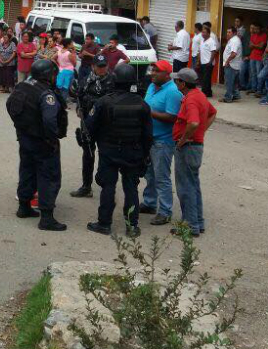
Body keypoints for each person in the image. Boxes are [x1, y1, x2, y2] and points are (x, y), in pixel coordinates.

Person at [84, 63, 153, 237]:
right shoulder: (143, 105)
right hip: (133, 152)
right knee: (131, 188)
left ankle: (104, 223)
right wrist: (145, 155)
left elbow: (89, 128)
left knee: (108, 187)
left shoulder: (103, 102)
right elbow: (148, 135)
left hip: (109, 151)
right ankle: (132, 226)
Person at [6, 59, 69, 231]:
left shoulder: (23, 86)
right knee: (48, 176)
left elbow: (9, 105)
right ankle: (46, 218)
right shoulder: (46, 94)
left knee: (27, 171)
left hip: (26, 139)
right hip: (42, 141)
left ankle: (24, 207)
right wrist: (51, 138)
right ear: (48, 75)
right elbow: (49, 120)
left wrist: (22, 128)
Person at [170, 68, 216, 237]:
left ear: (183, 83)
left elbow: (194, 123)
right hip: (195, 146)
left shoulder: (190, 100)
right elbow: (212, 113)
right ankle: (197, 222)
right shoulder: (199, 95)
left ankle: (190, 226)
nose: (175, 83)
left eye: (177, 81)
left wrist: (183, 140)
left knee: (185, 187)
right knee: (193, 185)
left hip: (188, 148)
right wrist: (200, 133)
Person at [141, 60, 184, 226]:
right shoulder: (152, 86)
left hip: (163, 141)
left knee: (161, 177)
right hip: (149, 138)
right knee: (149, 173)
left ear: (167, 75)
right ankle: (150, 202)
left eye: (157, 71)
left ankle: (165, 211)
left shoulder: (173, 92)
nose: (152, 73)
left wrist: (149, 113)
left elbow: (172, 117)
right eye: (152, 70)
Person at [68, 54, 114, 198]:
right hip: (87, 122)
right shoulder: (86, 80)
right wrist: (78, 107)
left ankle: (106, 185)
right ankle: (86, 186)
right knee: (88, 153)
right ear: (93, 66)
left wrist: (92, 102)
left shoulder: (112, 81)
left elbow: (112, 101)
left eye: (104, 66)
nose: (102, 69)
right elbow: (79, 96)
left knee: (105, 154)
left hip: (104, 123)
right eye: (99, 66)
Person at [221, 27, 243, 103]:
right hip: (234, 65)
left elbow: (233, 54)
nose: (227, 33)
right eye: (227, 32)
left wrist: (227, 61)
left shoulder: (234, 41)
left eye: (229, 32)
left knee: (229, 82)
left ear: (234, 33)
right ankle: (236, 95)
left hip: (231, 65)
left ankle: (228, 98)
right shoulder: (233, 40)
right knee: (233, 82)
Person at [247, 24, 268, 96]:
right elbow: (250, 46)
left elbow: (261, 46)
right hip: (252, 56)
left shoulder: (264, 35)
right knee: (253, 73)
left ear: (261, 29)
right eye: (255, 29)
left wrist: (254, 45)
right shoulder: (253, 35)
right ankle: (254, 88)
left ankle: (259, 90)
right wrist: (256, 45)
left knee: (259, 74)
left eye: (257, 29)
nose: (255, 30)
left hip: (259, 57)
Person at [199, 24, 218, 98]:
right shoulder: (202, 40)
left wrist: (210, 62)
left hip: (208, 63)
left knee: (205, 79)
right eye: (202, 32)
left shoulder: (211, 41)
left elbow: (213, 51)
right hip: (203, 62)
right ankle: (209, 93)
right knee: (206, 78)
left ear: (208, 33)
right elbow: (200, 51)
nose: (203, 34)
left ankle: (204, 93)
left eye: (204, 32)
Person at [56, 38, 77, 103]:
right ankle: (62, 103)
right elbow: (75, 64)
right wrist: (74, 52)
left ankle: (58, 101)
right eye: (71, 43)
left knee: (60, 88)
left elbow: (52, 58)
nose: (73, 44)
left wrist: (58, 65)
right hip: (68, 72)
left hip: (60, 71)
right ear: (68, 45)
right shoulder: (69, 53)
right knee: (66, 88)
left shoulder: (59, 52)